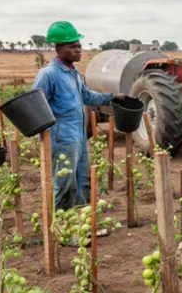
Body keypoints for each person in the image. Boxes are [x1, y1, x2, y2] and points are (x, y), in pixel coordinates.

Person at [33, 21, 125, 211]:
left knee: (83, 179)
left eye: (79, 46)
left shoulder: (73, 73)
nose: (78, 50)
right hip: (61, 136)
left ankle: (83, 218)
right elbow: (36, 104)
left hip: (79, 135)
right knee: (63, 182)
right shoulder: (48, 74)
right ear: (58, 48)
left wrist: (111, 97)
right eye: (72, 46)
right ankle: (58, 221)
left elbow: (86, 95)